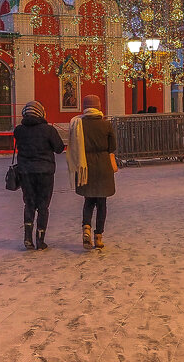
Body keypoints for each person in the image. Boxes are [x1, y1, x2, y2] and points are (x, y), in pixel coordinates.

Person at [13, 100, 65, 250]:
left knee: (29, 204)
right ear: (41, 113)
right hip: (45, 172)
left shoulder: (19, 130)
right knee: (43, 206)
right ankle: (40, 240)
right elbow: (59, 148)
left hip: (25, 172)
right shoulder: (48, 130)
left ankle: (27, 238)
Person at [66, 94, 117, 250]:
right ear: (99, 106)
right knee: (102, 204)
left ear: (85, 106)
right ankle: (98, 237)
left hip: (85, 166)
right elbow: (112, 147)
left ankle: (86, 228)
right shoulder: (106, 124)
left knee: (88, 201)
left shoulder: (78, 124)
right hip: (103, 166)